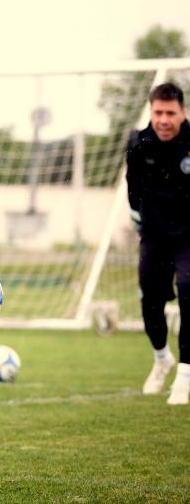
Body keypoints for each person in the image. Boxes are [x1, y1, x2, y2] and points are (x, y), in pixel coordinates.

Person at [126, 81, 190, 405]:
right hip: (154, 235)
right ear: (151, 112)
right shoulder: (138, 143)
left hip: (189, 236)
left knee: (189, 288)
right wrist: (142, 228)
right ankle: (162, 358)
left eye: (170, 113)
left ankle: (185, 375)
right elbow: (133, 192)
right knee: (150, 301)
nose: (164, 120)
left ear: (182, 113)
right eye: (158, 112)